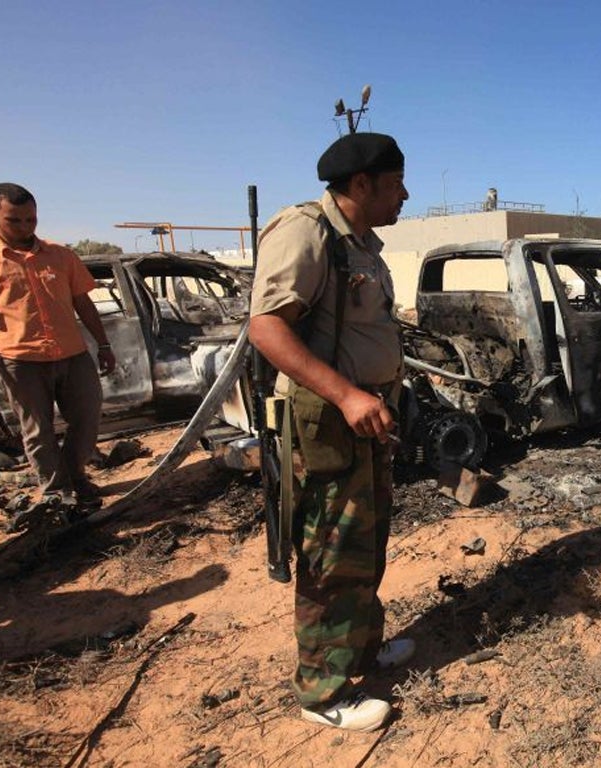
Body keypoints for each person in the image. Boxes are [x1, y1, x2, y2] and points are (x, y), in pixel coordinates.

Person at [248, 132, 414, 732]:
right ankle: (323, 692)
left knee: (365, 547)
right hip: (327, 423)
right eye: (396, 183)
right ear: (362, 185)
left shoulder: (362, 244)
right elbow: (266, 328)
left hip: (367, 420)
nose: (405, 195)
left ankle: (362, 649)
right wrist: (346, 393)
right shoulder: (306, 232)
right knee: (330, 556)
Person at [0, 183, 116, 518]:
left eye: (31, 220)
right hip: (20, 361)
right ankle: (57, 491)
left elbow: (83, 302)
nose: (25, 228)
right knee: (38, 431)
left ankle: (76, 477)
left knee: (87, 419)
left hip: (72, 354)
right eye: (15, 221)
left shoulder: (60, 254)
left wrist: (104, 343)